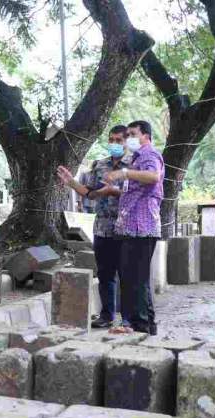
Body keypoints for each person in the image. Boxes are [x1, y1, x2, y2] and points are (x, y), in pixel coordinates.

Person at [57, 125, 130, 329]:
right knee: (105, 274)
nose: (114, 144)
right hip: (102, 228)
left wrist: (114, 191)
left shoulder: (134, 166)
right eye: (111, 140)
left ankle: (128, 318)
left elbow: (138, 195)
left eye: (119, 140)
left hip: (127, 228)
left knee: (126, 275)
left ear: (127, 141)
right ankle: (107, 316)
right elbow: (89, 193)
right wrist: (71, 182)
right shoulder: (100, 165)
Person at [106, 120, 164, 335]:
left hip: (142, 227)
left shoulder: (150, 155)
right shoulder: (137, 158)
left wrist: (124, 173)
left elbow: (153, 176)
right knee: (132, 278)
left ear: (145, 136)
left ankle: (143, 325)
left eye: (132, 134)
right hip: (131, 228)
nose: (128, 138)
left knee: (138, 279)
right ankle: (138, 324)